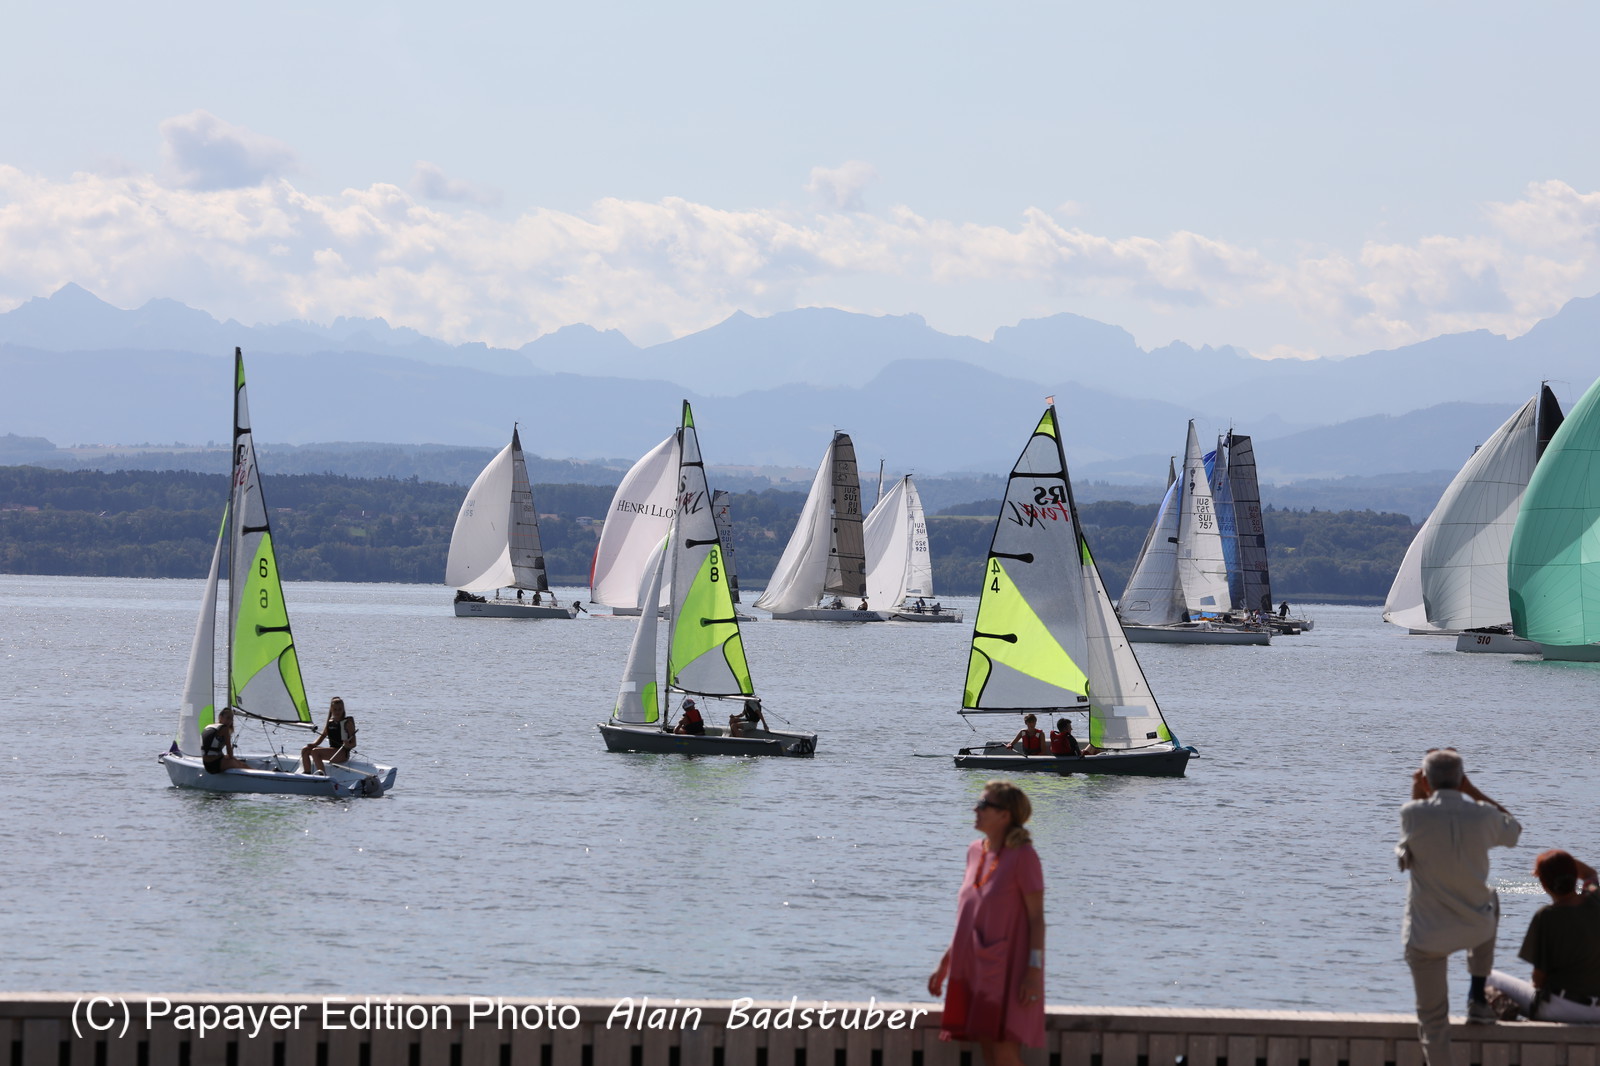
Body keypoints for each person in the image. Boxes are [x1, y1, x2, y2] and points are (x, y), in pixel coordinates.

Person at [1397, 748, 1521, 1065]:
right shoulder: (1482, 816)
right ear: (1462, 779)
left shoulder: (1413, 814)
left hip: (1427, 936)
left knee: (1433, 1019)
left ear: (1425, 780)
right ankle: (1477, 997)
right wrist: (1472, 791)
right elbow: (1513, 830)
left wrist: (1419, 788)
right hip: (1475, 927)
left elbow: (1408, 841)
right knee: (1491, 896)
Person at [928, 781, 1046, 1066]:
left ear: (1004, 815)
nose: (975, 809)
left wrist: (1033, 971)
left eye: (983, 805)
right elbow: (968, 915)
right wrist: (945, 964)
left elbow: (1036, 919)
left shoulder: (1024, 856)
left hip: (1011, 968)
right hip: (973, 965)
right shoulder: (974, 851)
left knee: (1005, 1051)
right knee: (987, 1047)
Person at [1486, 850, 1600, 1021]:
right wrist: (1563, 862)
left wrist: (1551, 864)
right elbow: (1590, 874)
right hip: (1597, 1011)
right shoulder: (1595, 898)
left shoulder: (1547, 916)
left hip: (1561, 1010)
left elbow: (1538, 980)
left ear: (1543, 883)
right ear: (1574, 876)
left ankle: (1514, 1027)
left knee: (1486, 977)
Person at [301, 697, 357, 774]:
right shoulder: (330, 722)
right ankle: (307, 773)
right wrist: (314, 744)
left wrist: (348, 745)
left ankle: (322, 775)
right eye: (335, 709)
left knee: (315, 752)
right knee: (305, 750)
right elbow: (322, 736)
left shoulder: (347, 723)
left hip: (342, 753)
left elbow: (354, 744)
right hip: (332, 750)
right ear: (331, 709)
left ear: (343, 709)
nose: (337, 712)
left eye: (340, 709)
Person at [201, 707, 250, 773]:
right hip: (215, 764)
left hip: (206, 764)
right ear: (220, 717)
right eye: (227, 718)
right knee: (240, 764)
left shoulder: (209, 726)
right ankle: (257, 775)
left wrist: (225, 757)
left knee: (234, 760)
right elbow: (229, 752)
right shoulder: (224, 729)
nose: (229, 721)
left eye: (231, 719)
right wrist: (231, 758)